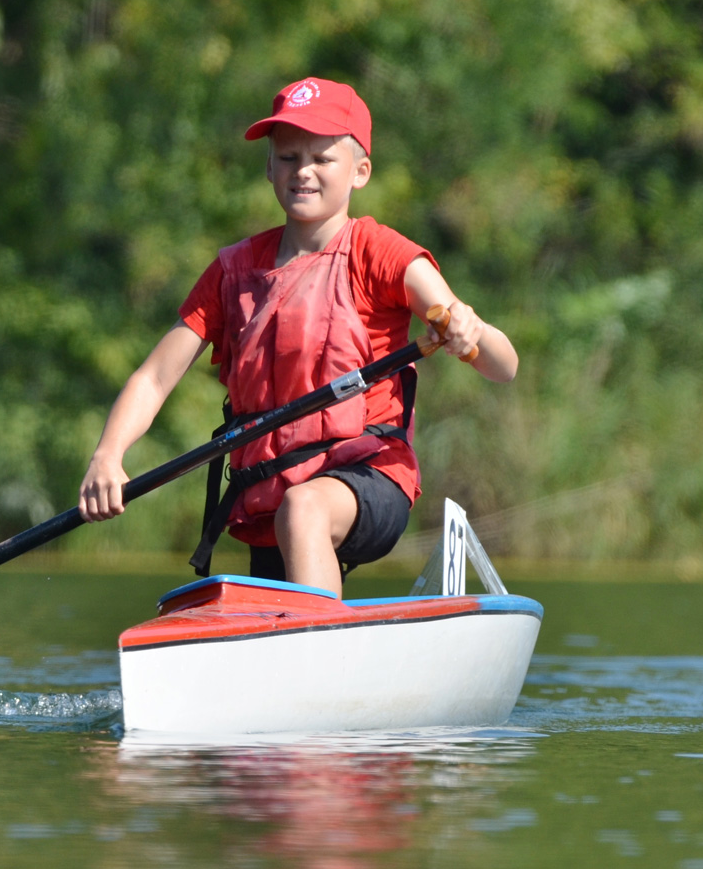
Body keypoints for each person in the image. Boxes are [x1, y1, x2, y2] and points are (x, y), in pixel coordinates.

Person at [77, 77, 517, 596]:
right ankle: (310, 641)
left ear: (360, 172)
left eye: (321, 158)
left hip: (370, 478)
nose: (302, 170)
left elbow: (502, 365)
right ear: (268, 167)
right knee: (290, 521)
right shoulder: (231, 273)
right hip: (270, 497)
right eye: (287, 157)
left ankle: (316, 650)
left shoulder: (380, 252)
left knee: (304, 508)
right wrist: (107, 455)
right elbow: (154, 378)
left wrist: (470, 328)